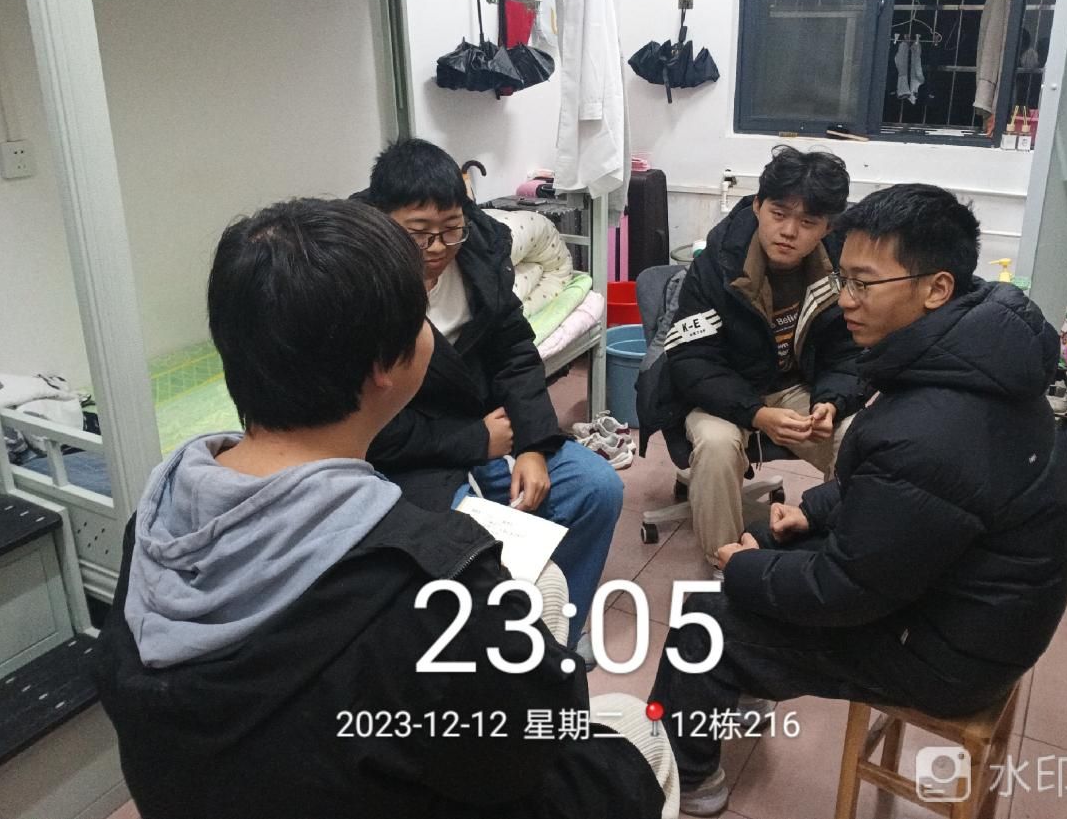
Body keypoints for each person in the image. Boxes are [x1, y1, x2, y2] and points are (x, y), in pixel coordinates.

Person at [94, 198, 678, 819]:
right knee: (635, 730)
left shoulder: (157, 520)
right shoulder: (437, 580)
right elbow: (523, 756)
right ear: (383, 366)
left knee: (549, 582)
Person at [651, 185, 1067, 816]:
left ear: (936, 288)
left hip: (951, 654)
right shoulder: (979, 355)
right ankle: (733, 684)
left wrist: (744, 571)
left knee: (704, 618)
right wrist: (812, 511)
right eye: (843, 280)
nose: (845, 299)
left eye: (862, 284)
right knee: (769, 537)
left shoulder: (935, 425)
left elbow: (846, 587)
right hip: (973, 599)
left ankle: (685, 778)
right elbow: (897, 494)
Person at [353, 138, 621, 644]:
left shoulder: (479, 248)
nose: (437, 248)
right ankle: (493, 655)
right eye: (418, 234)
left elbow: (514, 351)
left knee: (596, 488)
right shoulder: (354, 279)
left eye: (450, 229)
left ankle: (558, 635)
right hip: (415, 454)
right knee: (468, 548)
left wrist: (534, 446)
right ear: (382, 220)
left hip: (492, 425)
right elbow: (364, 424)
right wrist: (476, 440)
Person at [662, 145, 863, 566]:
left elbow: (848, 353)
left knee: (857, 437)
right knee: (717, 444)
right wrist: (755, 413)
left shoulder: (842, 269)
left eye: (807, 222)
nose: (789, 231)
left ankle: (835, 551)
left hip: (796, 387)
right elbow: (693, 360)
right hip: (722, 390)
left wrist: (832, 402)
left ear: (827, 227)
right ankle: (726, 563)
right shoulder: (717, 264)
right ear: (757, 206)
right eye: (778, 213)